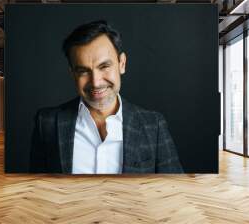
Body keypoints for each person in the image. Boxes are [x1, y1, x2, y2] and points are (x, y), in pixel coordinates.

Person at [30, 20, 183, 174]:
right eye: (83, 71)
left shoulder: (154, 126)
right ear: (72, 74)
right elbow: (36, 190)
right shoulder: (47, 123)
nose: (96, 83)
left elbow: (175, 190)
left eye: (104, 67)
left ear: (122, 63)